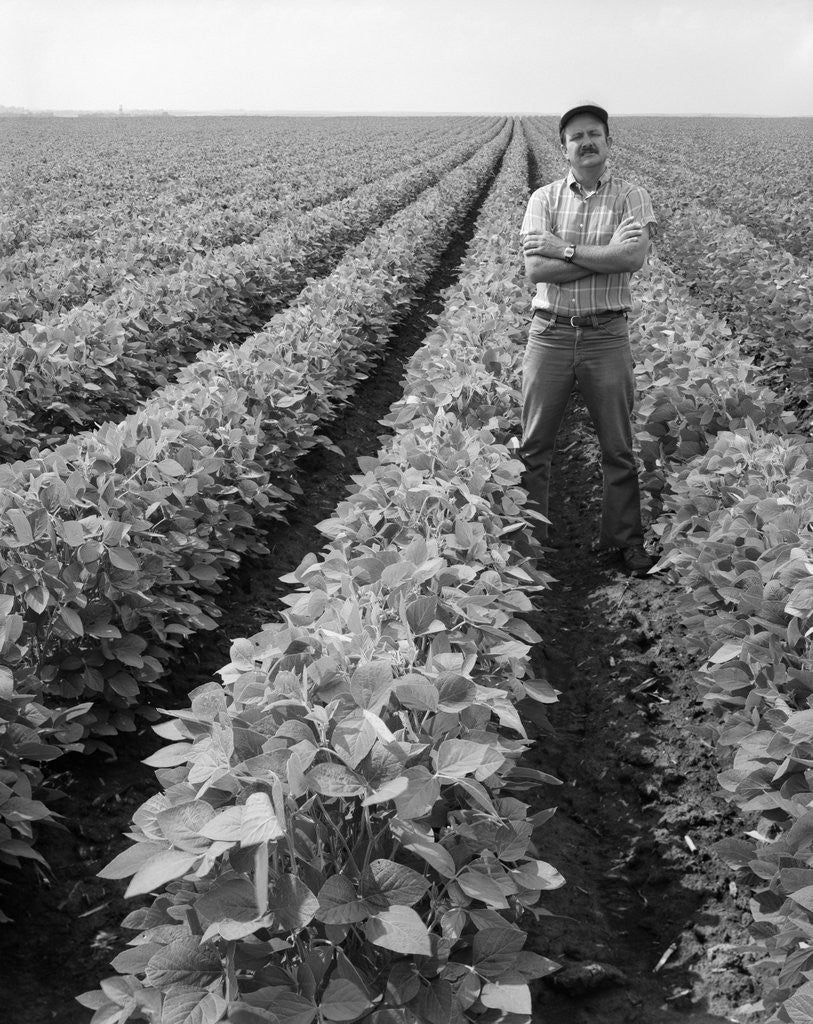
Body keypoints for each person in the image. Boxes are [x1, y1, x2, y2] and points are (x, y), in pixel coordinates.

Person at [519, 102, 657, 577]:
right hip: (550, 333)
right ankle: (531, 544)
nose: (587, 142)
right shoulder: (543, 199)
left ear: (607, 141)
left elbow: (632, 260)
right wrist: (605, 254)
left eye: (594, 133)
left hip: (606, 334)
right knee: (535, 446)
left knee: (618, 447)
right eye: (577, 136)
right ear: (564, 148)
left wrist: (568, 251)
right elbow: (536, 269)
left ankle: (624, 542)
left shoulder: (632, 197)